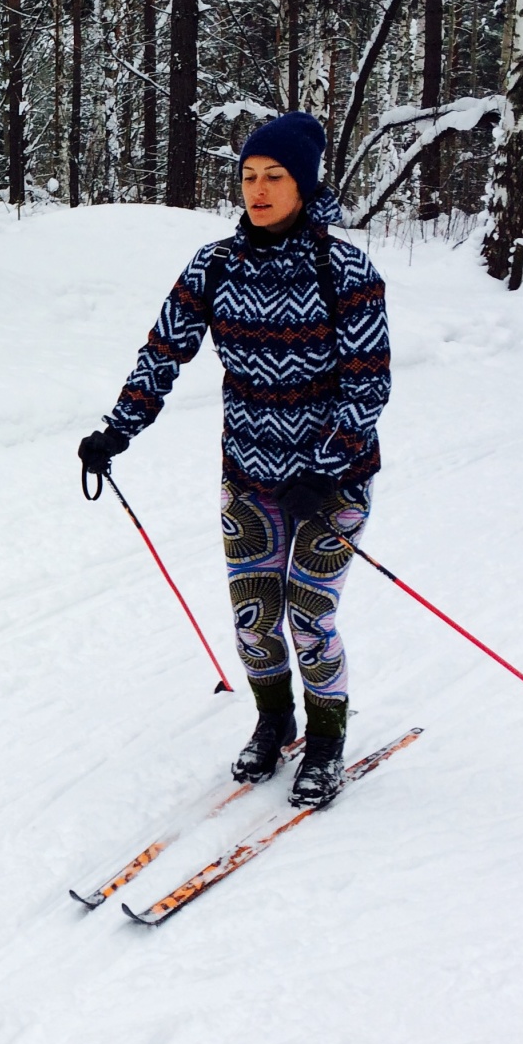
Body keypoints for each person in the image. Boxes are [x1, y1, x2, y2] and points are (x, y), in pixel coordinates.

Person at [78, 111, 391, 807]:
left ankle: (327, 740)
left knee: (308, 617)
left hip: (332, 484)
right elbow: (164, 351)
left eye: (274, 176)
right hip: (249, 476)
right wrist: (117, 430)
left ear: (304, 185)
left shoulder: (344, 269)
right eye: (248, 176)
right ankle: (274, 721)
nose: (258, 189)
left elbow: (368, 383)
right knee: (254, 616)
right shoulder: (216, 265)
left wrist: (327, 467)